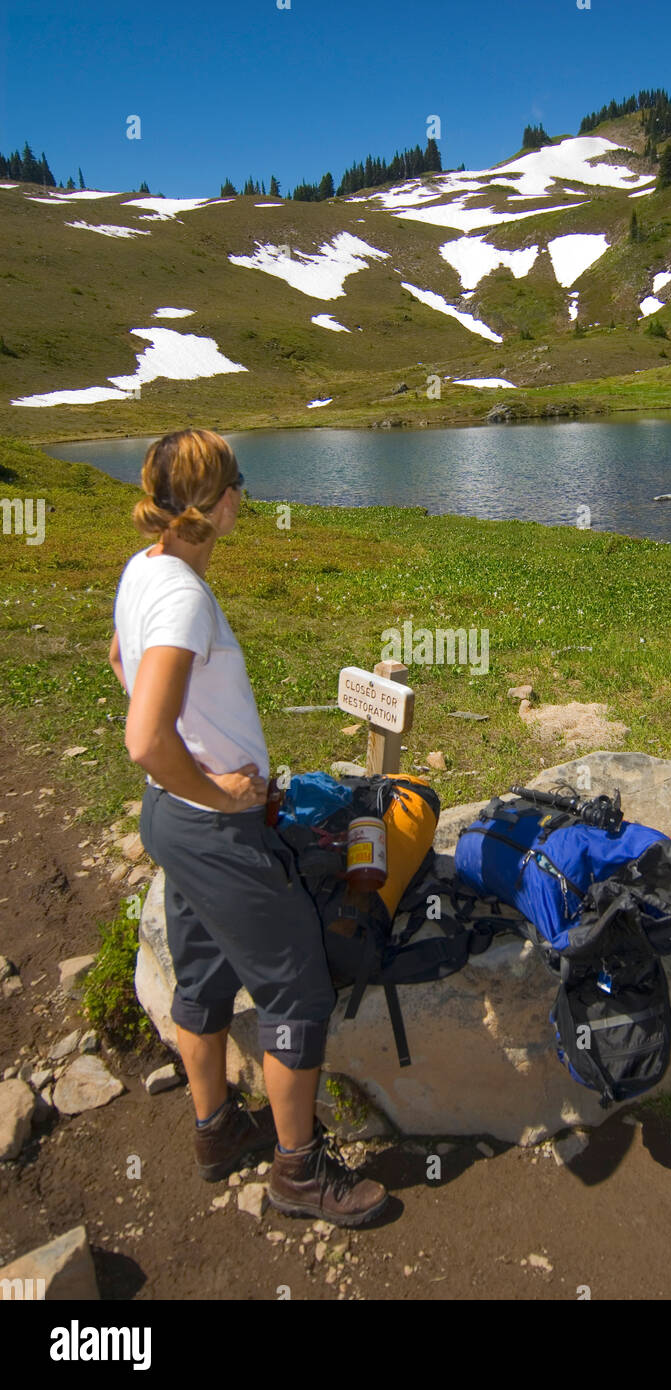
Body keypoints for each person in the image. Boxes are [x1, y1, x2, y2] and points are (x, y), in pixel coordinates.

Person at [109, 427, 387, 1227]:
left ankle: (216, 1131)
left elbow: (119, 663)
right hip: (213, 833)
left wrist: (190, 767)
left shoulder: (146, 568)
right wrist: (221, 792)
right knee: (296, 987)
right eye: (240, 484)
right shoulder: (185, 596)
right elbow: (142, 738)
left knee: (199, 981)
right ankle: (297, 1173)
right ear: (219, 500)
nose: (245, 498)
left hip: (171, 824)